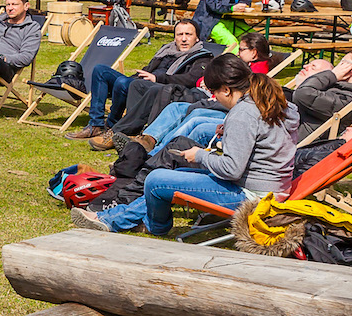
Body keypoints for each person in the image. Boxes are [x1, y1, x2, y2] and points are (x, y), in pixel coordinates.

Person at [73, 55, 295, 236]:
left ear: (226, 90)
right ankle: (117, 217)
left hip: (252, 196)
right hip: (272, 187)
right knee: (167, 176)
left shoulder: (243, 114)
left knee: (156, 180)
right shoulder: (269, 101)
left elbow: (232, 169)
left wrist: (199, 155)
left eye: (215, 93)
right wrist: (228, 133)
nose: (215, 99)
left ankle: (144, 225)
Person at [73, 16, 212, 141]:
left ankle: (112, 124)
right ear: (175, 37)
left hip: (160, 88)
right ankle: (96, 124)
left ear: (197, 38)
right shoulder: (166, 50)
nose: (184, 39)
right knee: (100, 70)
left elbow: (191, 79)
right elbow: (149, 68)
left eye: (188, 34)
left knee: (123, 82)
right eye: (180, 34)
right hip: (142, 81)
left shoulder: (202, 57)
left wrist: (157, 78)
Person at [290, 50, 352, 140]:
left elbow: (303, 93)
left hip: (293, 141)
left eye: (343, 63)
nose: (337, 67)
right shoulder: (340, 89)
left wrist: (333, 74)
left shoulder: (347, 100)